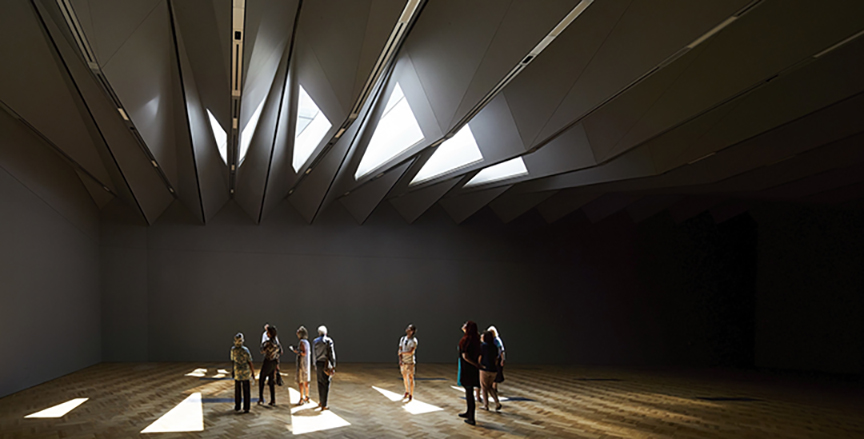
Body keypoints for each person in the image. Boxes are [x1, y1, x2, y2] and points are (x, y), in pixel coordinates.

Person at [457, 321, 481, 426]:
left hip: (468, 368)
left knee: (469, 393)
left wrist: (474, 364)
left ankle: (471, 417)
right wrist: (477, 365)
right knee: (469, 392)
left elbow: (465, 356)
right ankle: (469, 413)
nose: (463, 326)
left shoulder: (466, 340)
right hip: (473, 369)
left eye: (465, 325)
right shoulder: (476, 339)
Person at [230, 333, 256, 413]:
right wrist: (253, 373)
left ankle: (237, 406)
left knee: (237, 390)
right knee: (246, 390)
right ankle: (246, 407)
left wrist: (233, 370)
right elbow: (250, 361)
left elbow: (233, 361)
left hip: (237, 371)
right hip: (245, 372)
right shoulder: (245, 350)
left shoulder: (233, 349)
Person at [313, 325, 336, 410]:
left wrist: (314, 364)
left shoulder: (315, 341)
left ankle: (320, 401)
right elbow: (332, 355)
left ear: (319, 333)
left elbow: (314, 354)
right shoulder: (329, 341)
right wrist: (333, 365)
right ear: (326, 333)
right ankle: (324, 404)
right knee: (326, 384)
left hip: (318, 364)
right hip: (327, 364)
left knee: (320, 383)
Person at [259, 326, 283, 406]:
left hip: (267, 362)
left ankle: (261, 398)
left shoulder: (268, 343)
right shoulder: (276, 343)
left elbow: (262, 350)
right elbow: (279, 353)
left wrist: (263, 344)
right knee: (271, 381)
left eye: (268, 332)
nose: (267, 334)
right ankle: (273, 399)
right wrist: (277, 365)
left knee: (261, 379)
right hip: (274, 362)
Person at [478, 331, 502, 411]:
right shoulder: (494, 347)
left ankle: (486, 405)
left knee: (484, 388)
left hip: (485, 369)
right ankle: (497, 402)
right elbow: (496, 359)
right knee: (490, 387)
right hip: (493, 370)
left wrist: (479, 365)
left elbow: (480, 357)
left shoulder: (483, 346)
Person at [290, 325, 312, 405]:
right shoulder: (307, 342)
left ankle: (301, 398)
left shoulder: (302, 342)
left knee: (301, 382)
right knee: (306, 382)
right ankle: (307, 396)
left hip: (302, 365)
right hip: (306, 364)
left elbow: (304, 353)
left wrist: (296, 351)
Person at [398, 324, 418, 401]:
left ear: (412, 331)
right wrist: (400, 359)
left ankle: (411, 393)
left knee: (410, 377)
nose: (407, 330)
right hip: (403, 362)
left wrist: (402, 353)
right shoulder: (402, 339)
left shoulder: (414, 341)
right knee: (404, 377)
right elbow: (399, 349)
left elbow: (410, 352)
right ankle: (406, 391)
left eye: (409, 329)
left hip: (410, 362)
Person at [487, 325, 505, 391]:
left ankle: (494, 388)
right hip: (491, 359)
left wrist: (502, 359)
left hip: (497, 358)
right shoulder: (489, 340)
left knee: (496, 374)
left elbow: (501, 351)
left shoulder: (497, 340)